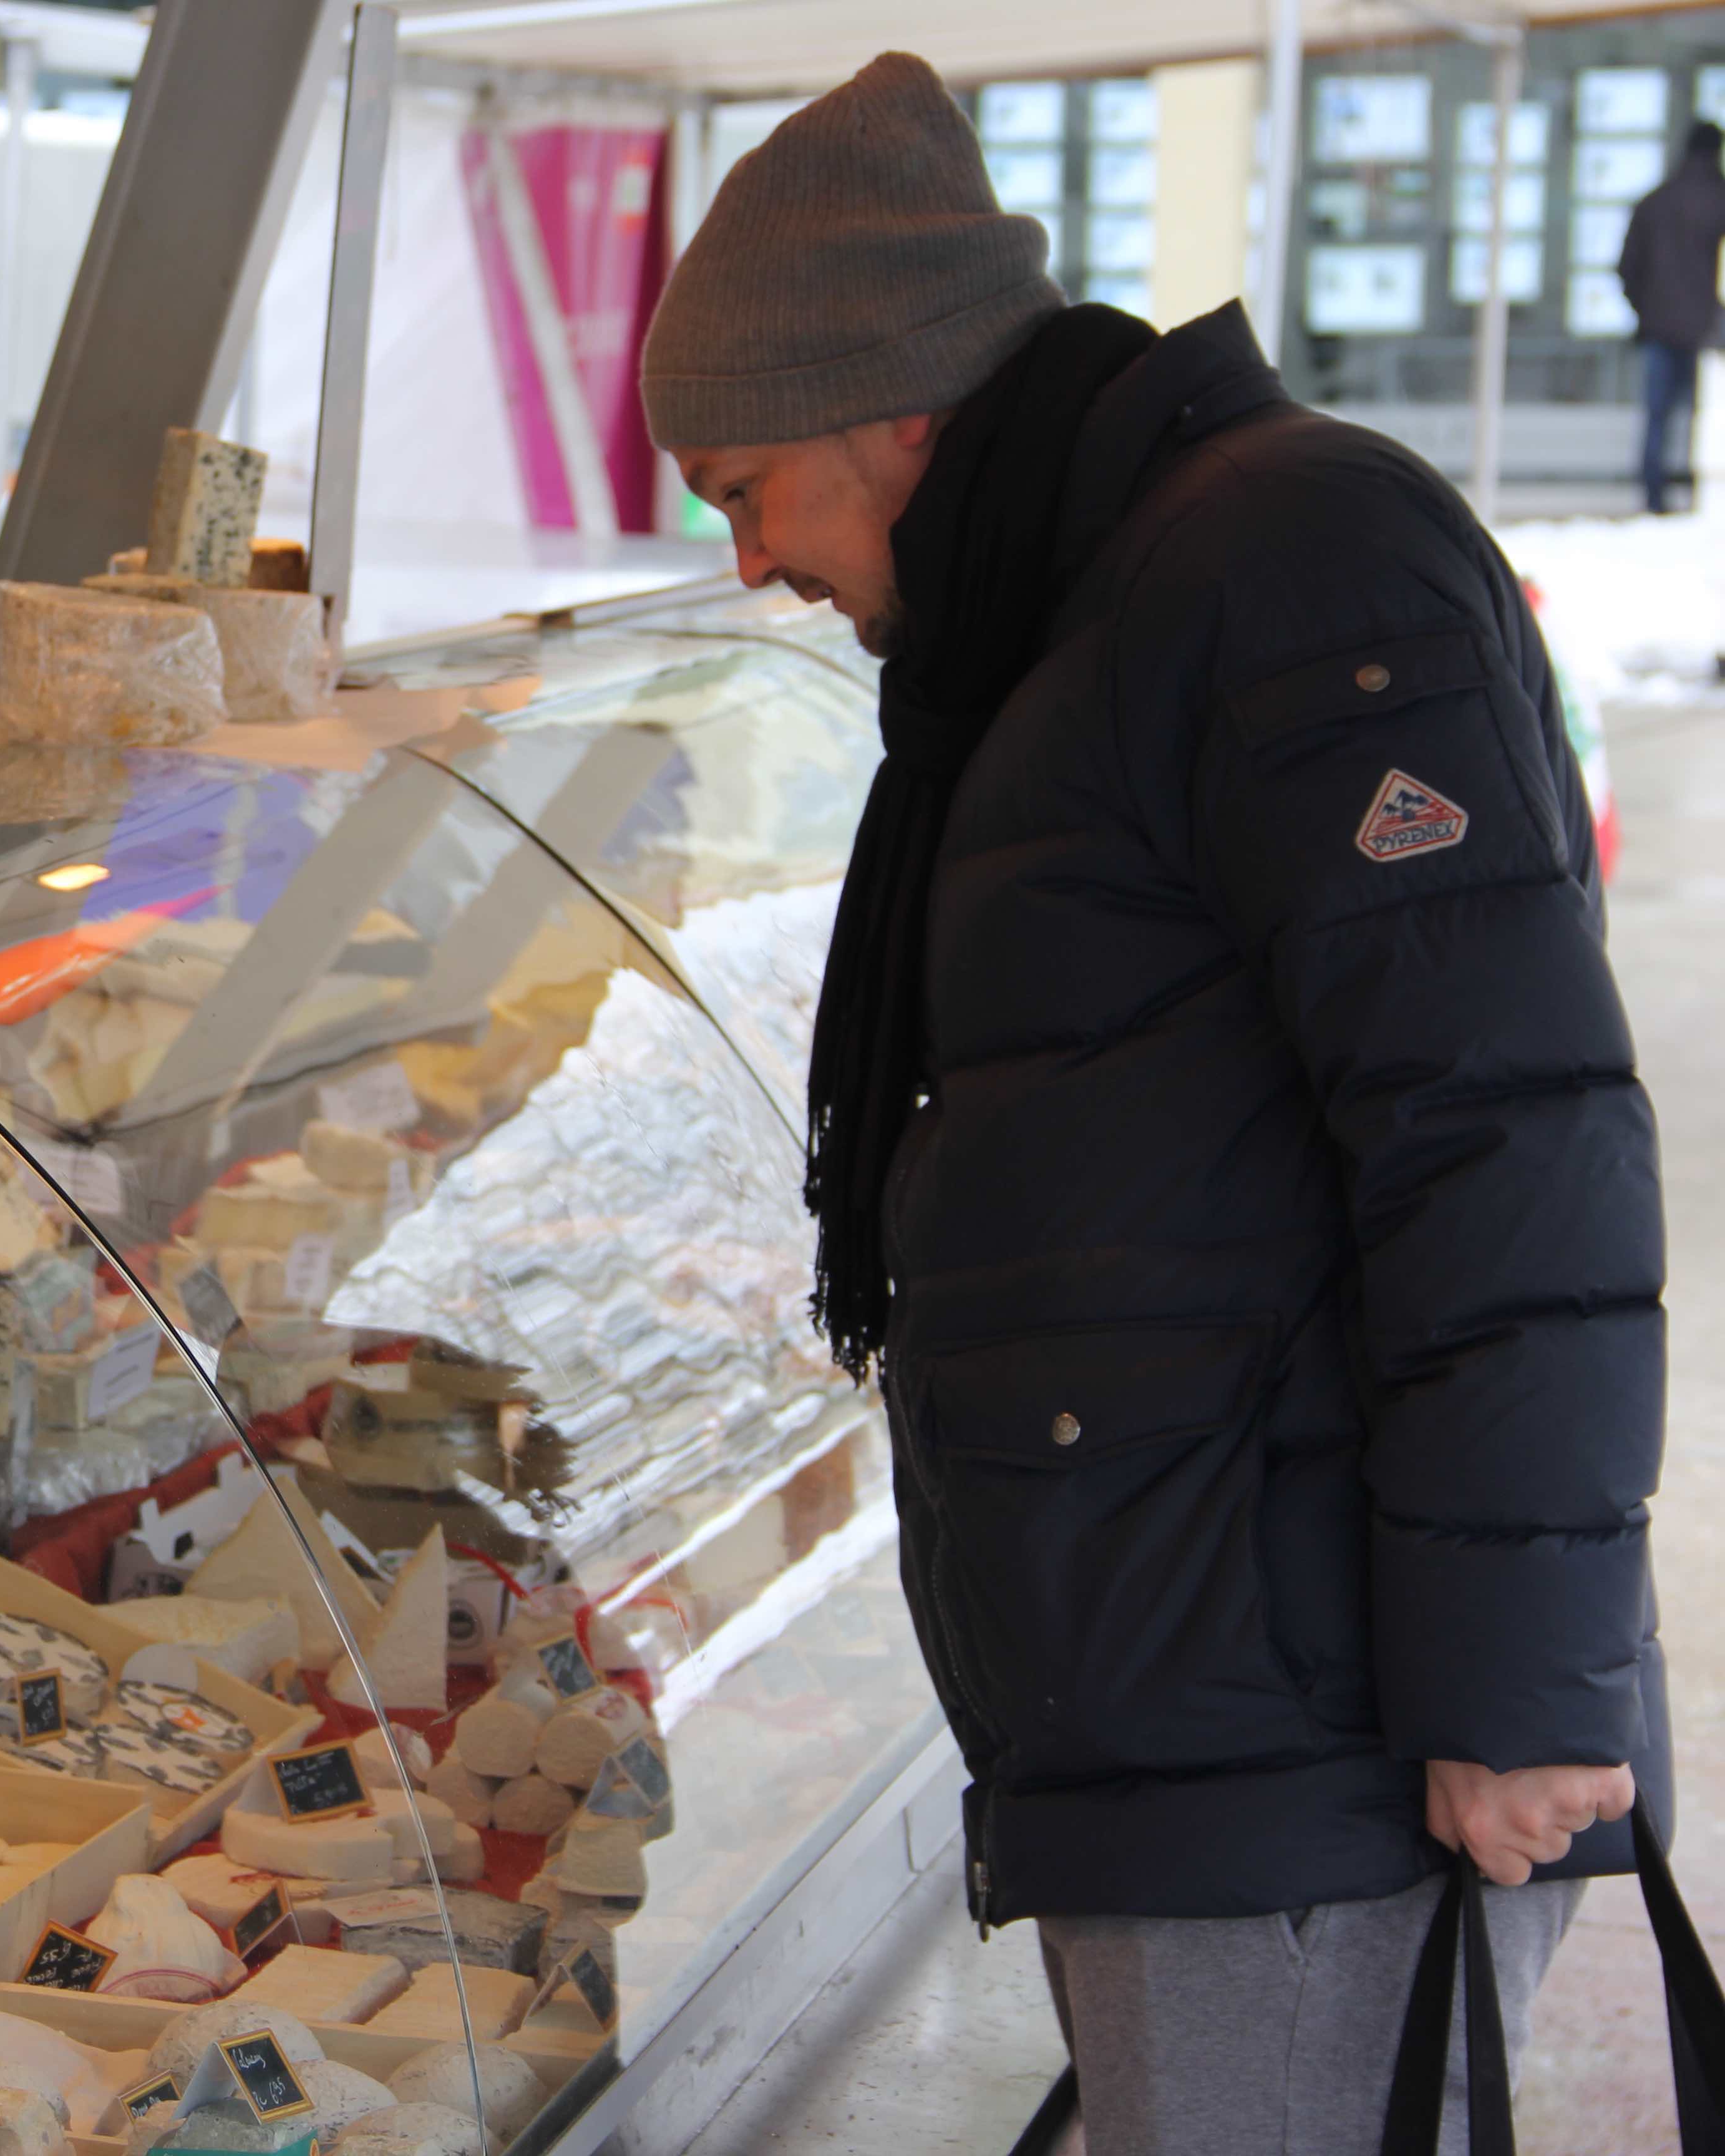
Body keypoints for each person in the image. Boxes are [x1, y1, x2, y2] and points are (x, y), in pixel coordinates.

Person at [639, 54, 1667, 2152]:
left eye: (745, 486)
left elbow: (1508, 1140)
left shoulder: (1282, 565)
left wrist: (1519, 1683)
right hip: (1201, 1691)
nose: (748, 557)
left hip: (1321, 1729)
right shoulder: (1076, 615)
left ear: (893, 406)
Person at [1618, 118, 1725, 513]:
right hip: (1707, 332)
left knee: (1658, 418)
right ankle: (1701, 494)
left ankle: (1654, 495)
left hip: (1658, 328)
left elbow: (1627, 267)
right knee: (1707, 420)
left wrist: (1646, 311)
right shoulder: (1719, 199)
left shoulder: (1656, 201)